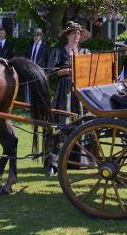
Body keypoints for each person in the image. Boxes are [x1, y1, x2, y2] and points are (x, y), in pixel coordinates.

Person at [45, 21, 91, 175]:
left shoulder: (85, 52)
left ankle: (79, 161)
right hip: (64, 92)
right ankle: (55, 162)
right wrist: (65, 71)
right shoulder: (58, 51)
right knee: (62, 126)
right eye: (73, 33)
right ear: (67, 35)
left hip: (80, 92)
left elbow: (90, 71)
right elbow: (50, 72)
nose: (76, 35)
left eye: (78, 33)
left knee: (81, 124)